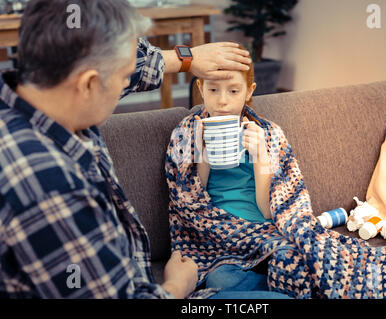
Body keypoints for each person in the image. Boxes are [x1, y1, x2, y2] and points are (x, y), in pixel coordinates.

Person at [0, 0, 279, 299]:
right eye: (122, 79)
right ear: (89, 84)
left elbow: (135, 65)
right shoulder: (49, 187)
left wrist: (187, 58)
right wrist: (177, 286)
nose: (125, 85)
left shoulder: (45, 90)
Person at [165, 48, 386, 298]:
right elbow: (190, 205)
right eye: (213, 90)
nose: (222, 101)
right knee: (219, 278)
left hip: (266, 231)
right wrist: (201, 153)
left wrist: (261, 158)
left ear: (250, 91)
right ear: (200, 88)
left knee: (302, 252)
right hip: (218, 239)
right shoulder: (186, 134)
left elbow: (270, 210)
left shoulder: (268, 134)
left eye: (234, 91)